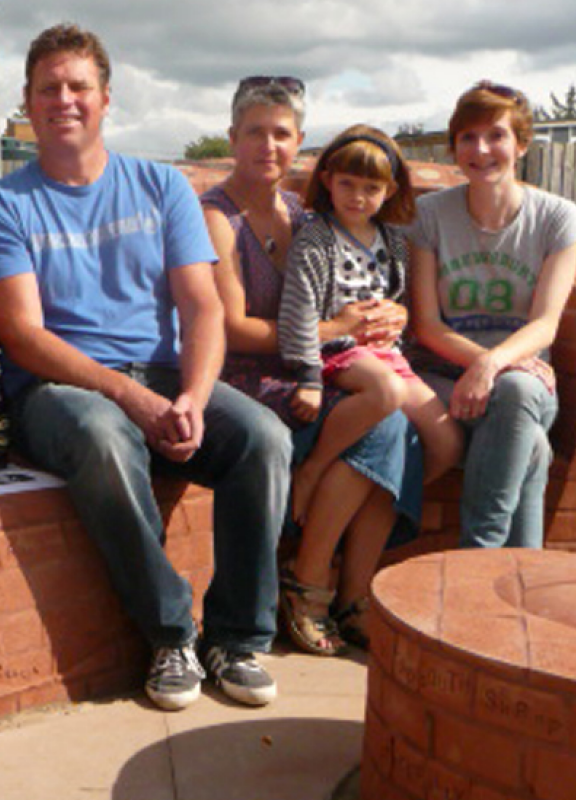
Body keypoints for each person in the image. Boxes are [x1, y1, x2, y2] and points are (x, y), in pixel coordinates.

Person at [0, 24, 293, 711]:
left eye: (78, 86)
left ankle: (236, 637)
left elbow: (202, 308)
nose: (65, 100)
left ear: (105, 98)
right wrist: (130, 399)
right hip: (60, 391)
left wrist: (197, 399)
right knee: (103, 434)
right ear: (27, 103)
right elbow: (24, 337)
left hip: (165, 373)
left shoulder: (161, 187)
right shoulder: (2, 204)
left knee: (263, 437)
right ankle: (171, 632)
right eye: (48, 88)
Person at [202, 83, 425, 656]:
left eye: (282, 134)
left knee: (399, 423)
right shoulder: (217, 219)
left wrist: (389, 311)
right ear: (233, 139)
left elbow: (359, 276)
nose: (268, 145)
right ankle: (311, 584)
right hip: (245, 379)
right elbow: (230, 329)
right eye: (255, 131)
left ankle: (347, 593)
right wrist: (336, 330)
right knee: (389, 424)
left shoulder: (303, 213)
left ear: (300, 144)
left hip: (309, 367)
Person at [407, 80, 576, 549]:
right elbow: (426, 325)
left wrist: (490, 364)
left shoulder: (557, 219)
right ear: (454, 148)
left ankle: (479, 551)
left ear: (522, 144)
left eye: (496, 136)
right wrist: (476, 363)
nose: (481, 149)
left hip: (524, 380)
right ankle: (516, 582)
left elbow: (545, 324)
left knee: (514, 390)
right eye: (467, 137)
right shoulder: (428, 216)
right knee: (531, 445)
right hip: (442, 377)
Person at [278, 125, 462, 522]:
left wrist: (400, 319)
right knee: (386, 391)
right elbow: (298, 309)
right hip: (335, 353)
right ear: (327, 181)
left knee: (446, 442)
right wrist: (308, 377)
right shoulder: (316, 239)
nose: (357, 197)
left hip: (385, 355)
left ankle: (383, 495)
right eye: (347, 184)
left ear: (390, 191)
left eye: (371, 188)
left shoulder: (393, 241)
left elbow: (396, 302)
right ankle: (313, 470)